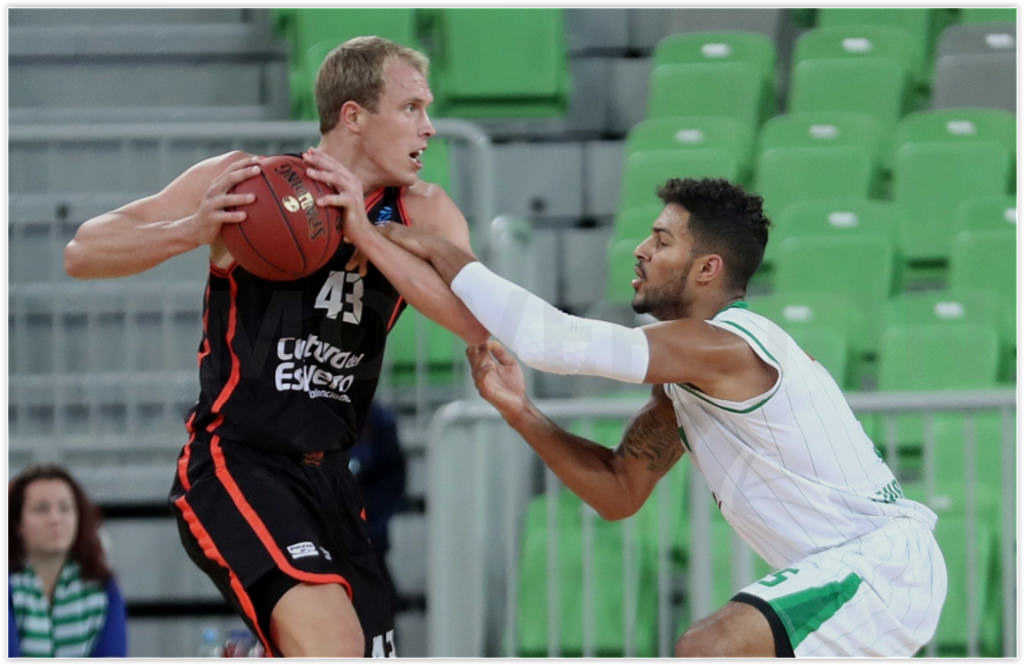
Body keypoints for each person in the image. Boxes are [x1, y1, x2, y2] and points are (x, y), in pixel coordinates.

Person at [368, 177, 948, 657]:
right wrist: (521, 412)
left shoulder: (727, 348)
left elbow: (553, 340)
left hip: (883, 563)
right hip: (858, 572)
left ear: (706, 269)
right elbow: (620, 491)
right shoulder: (690, 379)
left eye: (662, 240)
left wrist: (447, 252)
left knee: (709, 647)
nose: (641, 250)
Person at [63, 36, 488, 657]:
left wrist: (366, 236)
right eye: (412, 108)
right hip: (238, 461)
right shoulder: (248, 183)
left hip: (336, 479)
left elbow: (477, 320)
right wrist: (193, 229)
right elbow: (83, 252)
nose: (429, 127)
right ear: (354, 116)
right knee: (332, 645)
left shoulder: (422, 211)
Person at [9, 465, 128, 657]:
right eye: (41, 509)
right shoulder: (9, 586)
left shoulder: (103, 587)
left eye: (65, 508)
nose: (55, 519)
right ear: (17, 524)